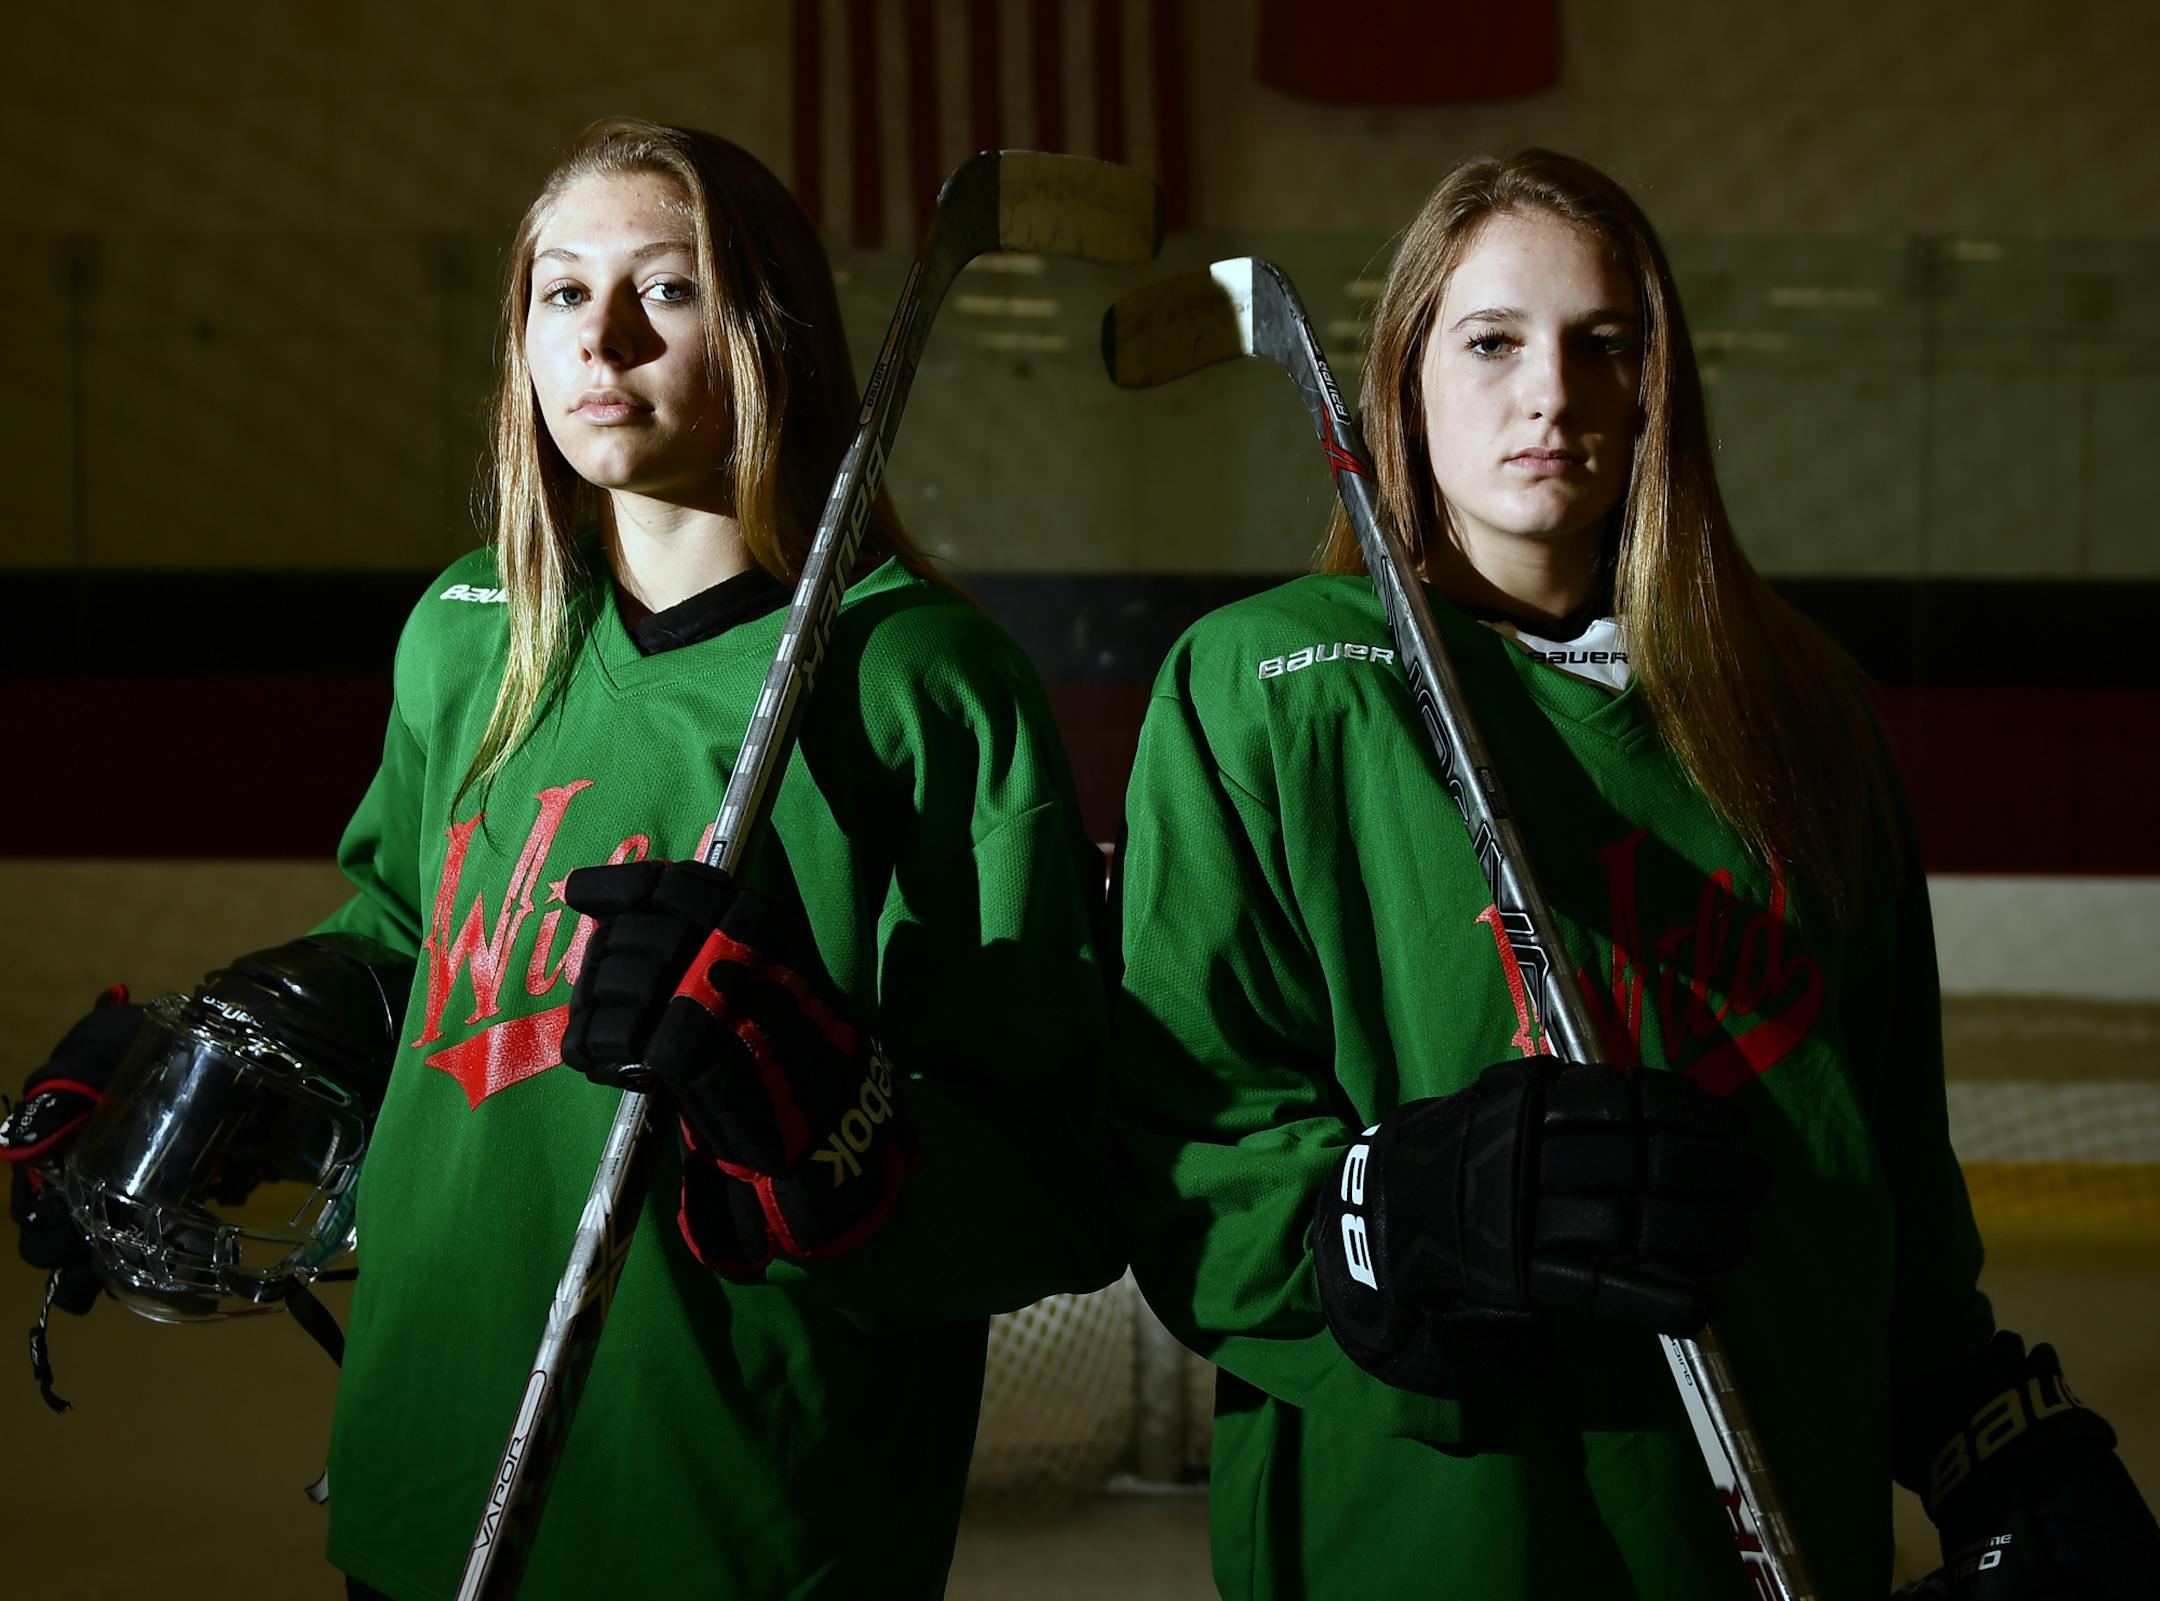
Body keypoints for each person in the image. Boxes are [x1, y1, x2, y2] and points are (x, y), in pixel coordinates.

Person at [7, 118, 1115, 1600]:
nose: (601, 338)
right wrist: (241, 1055)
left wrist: (829, 1118)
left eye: (667, 290)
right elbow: (410, 935)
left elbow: (1056, 1173)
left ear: (770, 326)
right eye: (558, 291)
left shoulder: (925, 683)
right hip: (431, 1456)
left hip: (730, 1508)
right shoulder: (475, 625)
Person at [1109, 149, 2156, 1598]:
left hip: (1770, 1518)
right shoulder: (1267, 688)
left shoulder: (1803, 706)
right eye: (1491, 343)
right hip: (1432, 1529)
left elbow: (1886, 1158)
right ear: (1403, 378)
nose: (1552, 393)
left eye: (1606, 344)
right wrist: (1390, 1210)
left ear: (1662, 385)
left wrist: (1989, 1431)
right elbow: (1183, 1152)